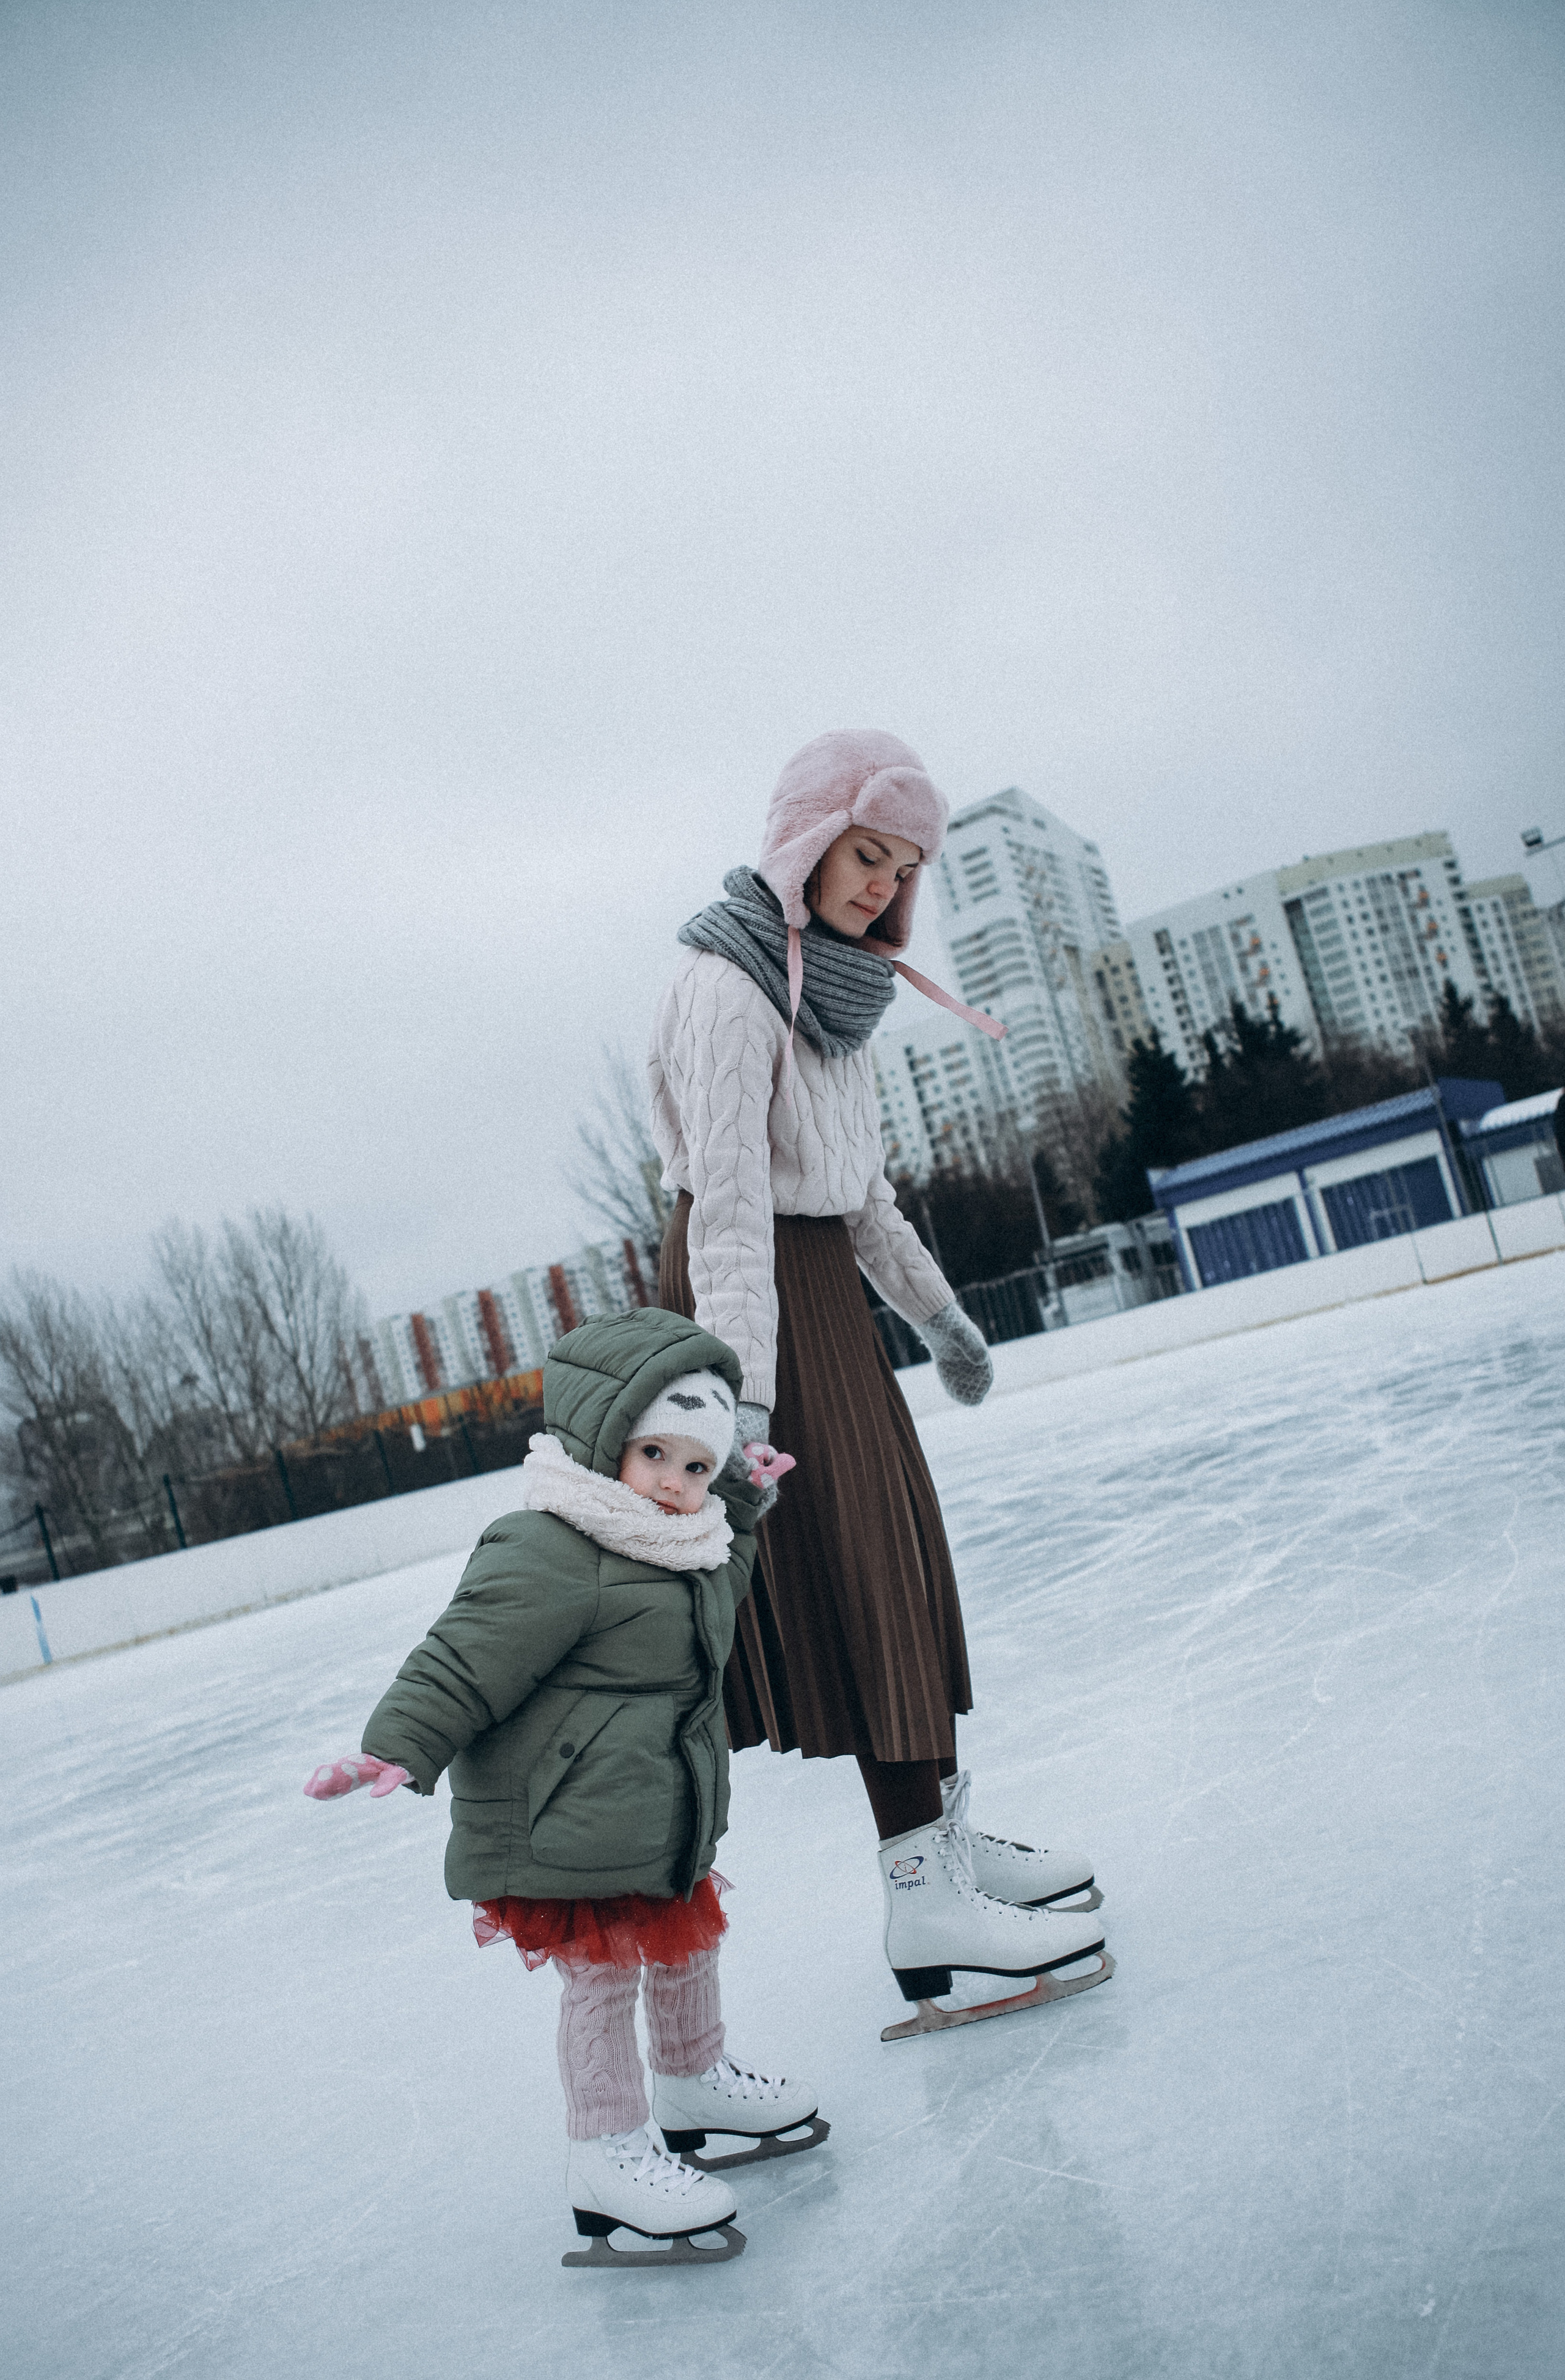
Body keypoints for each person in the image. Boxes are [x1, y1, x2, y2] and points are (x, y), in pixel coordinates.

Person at [651, 728, 1109, 2016]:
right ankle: (924, 1900)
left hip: (820, 1304)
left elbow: (859, 1196)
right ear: (805, 840)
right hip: (751, 1306)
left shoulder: (836, 989)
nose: (880, 885)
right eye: (865, 855)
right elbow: (730, 1203)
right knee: (857, 1582)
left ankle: (942, 1848)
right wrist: (733, 1400)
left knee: (898, 1558)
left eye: (903, 866)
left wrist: (940, 1318)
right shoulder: (729, 981)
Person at [303, 1308, 823, 2268]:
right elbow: (462, 1660)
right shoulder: (549, 1545)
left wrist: (743, 1509)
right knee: (602, 1980)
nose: (675, 1482)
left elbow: (722, 1578)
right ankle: (607, 2156)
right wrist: (398, 1748)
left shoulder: (689, 1538)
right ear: (603, 1440)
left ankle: (695, 2082)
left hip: (654, 1817)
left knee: (684, 1946)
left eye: (698, 1468)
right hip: (567, 1824)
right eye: (655, 1453)